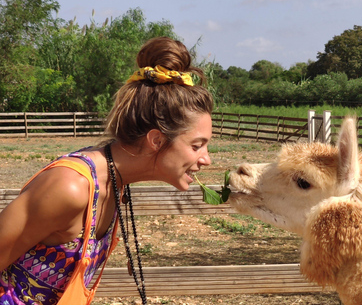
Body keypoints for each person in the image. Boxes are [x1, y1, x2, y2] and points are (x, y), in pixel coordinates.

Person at [0, 36, 214, 305]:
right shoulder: (70, 187)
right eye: (197, 146)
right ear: (157, 141)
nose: (206, 160)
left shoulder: (114, 183)